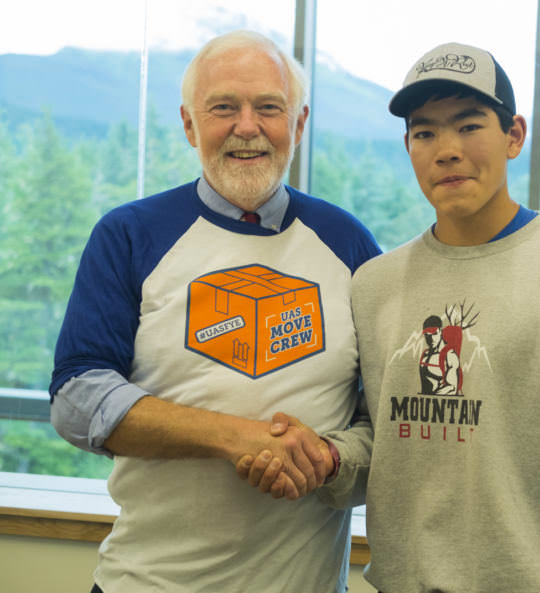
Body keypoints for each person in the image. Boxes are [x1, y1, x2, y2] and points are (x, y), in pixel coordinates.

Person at [247, 41, 540, 592]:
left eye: (469, 126)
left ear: (514, 135)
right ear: (409, 146)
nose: (446, 150)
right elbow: (389, 438)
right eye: (425, 133)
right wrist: (326, 457)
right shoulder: (375, 284)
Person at [49, 30, 380, 593]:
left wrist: (325, 457)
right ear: (189, 124)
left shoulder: (349, 244)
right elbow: (77, 398)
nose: (246, 127)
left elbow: (389, 419)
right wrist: (235, 437)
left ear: (297, 125)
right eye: (223, 107)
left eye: (268, 109)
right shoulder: (129, 235)